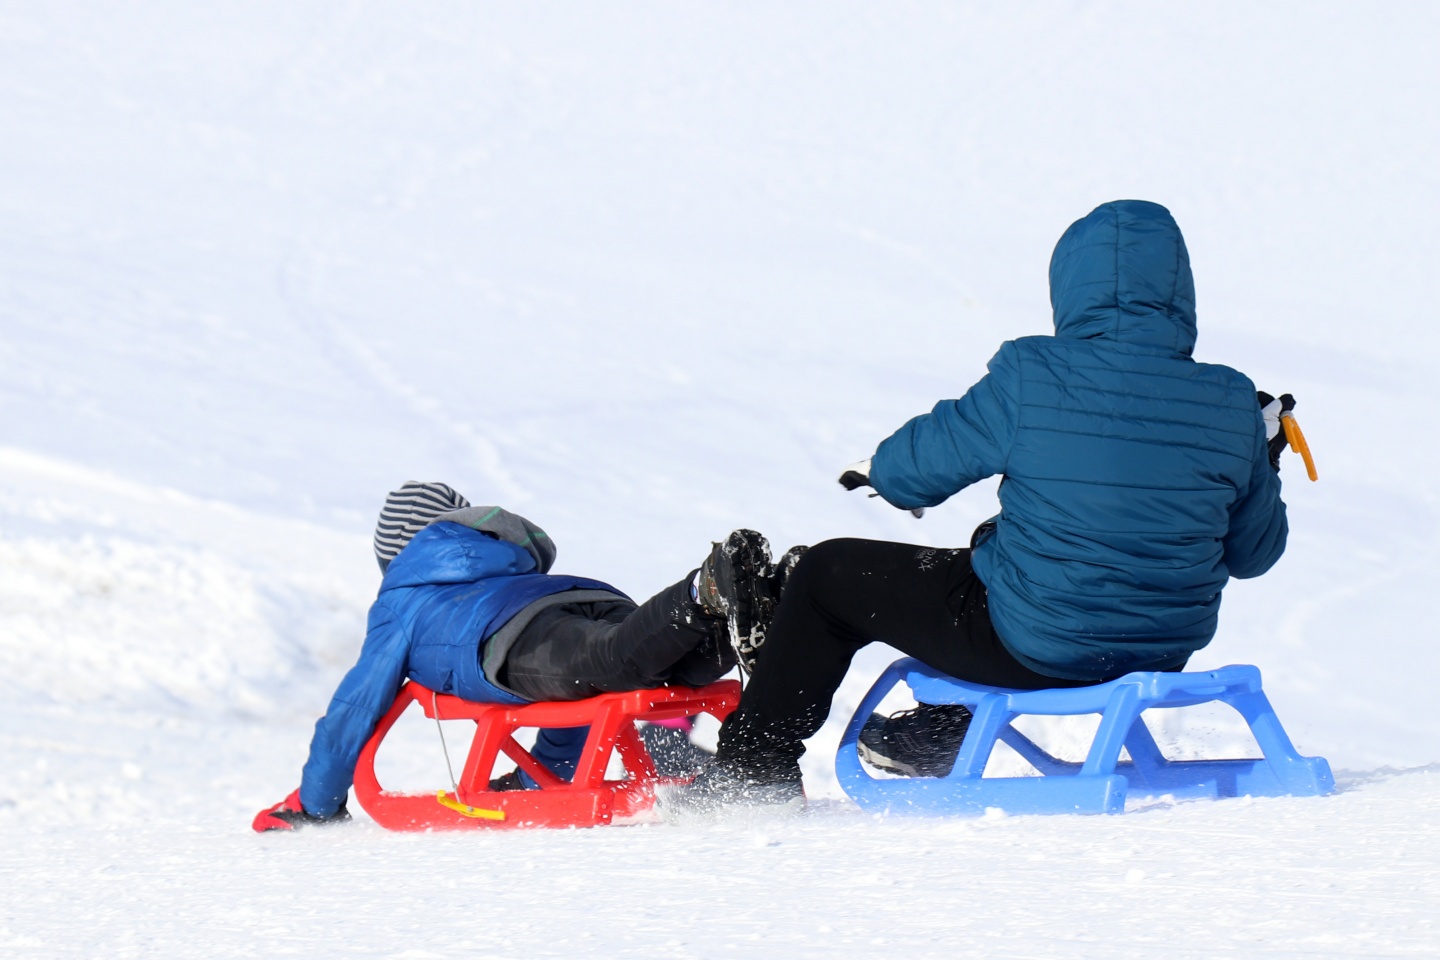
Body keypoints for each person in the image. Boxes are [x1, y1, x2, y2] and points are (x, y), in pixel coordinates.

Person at [668, 199, 1292, 812]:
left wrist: (883, 471)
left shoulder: (1036, 372)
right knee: (999, 550)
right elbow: (1254, 554)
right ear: (1179, 291)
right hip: (1160, 648)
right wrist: (1265, 456)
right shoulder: (1231, 400)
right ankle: (932, 735)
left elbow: (926, 465)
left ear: (1071, 285)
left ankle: (752, 768)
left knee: (829, 575)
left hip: (1036, 643)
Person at [254, 481, 775, 830]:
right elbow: (574, 702)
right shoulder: (509, 567)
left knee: (611, 662)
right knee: (668, 670)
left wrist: (315, 803)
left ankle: (703, 590)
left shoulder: (403, 600)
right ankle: (763, 597)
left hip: (507, 638)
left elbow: (354, 708)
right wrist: (538, 779)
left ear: (396, 552)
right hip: (583, 596)